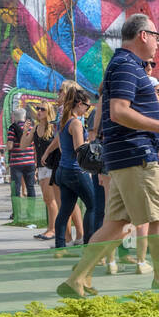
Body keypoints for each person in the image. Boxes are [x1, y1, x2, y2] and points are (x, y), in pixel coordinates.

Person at [59, 15, 159, 298]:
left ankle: (78, 279)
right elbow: (119, 111)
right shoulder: (126, 66)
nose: (158, 43)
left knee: (117, 225)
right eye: (157, 36)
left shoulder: (126, 66)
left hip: (125, 157)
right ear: (143, 35)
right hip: (136, 156)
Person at [50, 82, 98, 249]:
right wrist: (90, 144)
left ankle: (60, 246)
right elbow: (80, 148)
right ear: (79, 104)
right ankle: (88, 244)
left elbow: (63, 147)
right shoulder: (75, 123)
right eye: (87, 106)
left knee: (65, 210)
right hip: (75, 170)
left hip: (63, 170)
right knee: (93, 205)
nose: (88, 109)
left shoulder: (63, 121)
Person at [32, 103, 61, 241]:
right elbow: (25, 145)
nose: (39, 111)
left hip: (51, 165)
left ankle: (53, 229)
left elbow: (58, 141)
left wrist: (47, 153)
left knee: (51, 199)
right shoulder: (37, 127)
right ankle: (51, 228)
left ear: (48, 112)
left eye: (42, 109)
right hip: (41, 166)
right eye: (38, 108)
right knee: (47, 199)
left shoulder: (53, 127)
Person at [7, 107, 37, 199]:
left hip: (17, 162)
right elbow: (35, 145)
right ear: (24, 116)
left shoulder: (12, 128)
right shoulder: (31, 128)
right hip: (29, 161)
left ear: (14, 117)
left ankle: (17, 211)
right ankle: (31, 210)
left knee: (16, 188)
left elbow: (10, 146)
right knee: (30, 187)